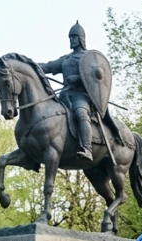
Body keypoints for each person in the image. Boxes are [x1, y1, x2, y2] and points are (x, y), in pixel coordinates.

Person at [40, 22, 100, 161]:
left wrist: (78, 78)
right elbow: (48, 66)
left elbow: (95, 77)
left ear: (81, 39)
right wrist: (29, 66)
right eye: (70, 38)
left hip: (81, 96)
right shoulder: (66, 59)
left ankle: (87, 148)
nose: (71, 40)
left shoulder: (89, 58)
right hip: (65, 96)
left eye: (74, 37)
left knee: (80, 114)